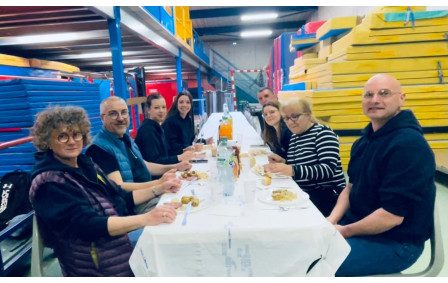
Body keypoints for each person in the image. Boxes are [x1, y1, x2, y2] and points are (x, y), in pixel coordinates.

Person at [29, 105, 181, 277]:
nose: (72, 141)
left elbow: (121, 196)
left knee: (174, 229)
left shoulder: (86, 165)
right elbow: (88, 225)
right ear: (48, 141)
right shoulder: (50, 183)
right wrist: (145, 219)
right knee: (172, 242)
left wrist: (160, 188)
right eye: (62, 136)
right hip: (98, 263)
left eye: (76, 134)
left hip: (115, 243)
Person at [327, 74, 436, 277]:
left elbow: (391, 217)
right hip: (360, 229)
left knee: (314, 266)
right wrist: (331, 221)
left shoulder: (408, 145)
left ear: (401, 98)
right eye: (368, 94)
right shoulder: (364, 142)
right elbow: (350, 188)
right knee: (301, 250)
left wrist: (345, 231)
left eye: (384, 93)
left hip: (396, 242)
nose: (375, 99)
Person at [86, 96, 191, 214]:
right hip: (135, 205)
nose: (120, 118)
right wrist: (159, 183)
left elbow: (144, 165)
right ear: (102, 118)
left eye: (124, 112)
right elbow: (119, 186)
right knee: (182, 214)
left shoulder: (126, 139)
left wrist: (176, 166)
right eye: (113, 114)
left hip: (150, 193)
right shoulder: (99, 148)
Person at [264, 98, 346, 217]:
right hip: (304, 193)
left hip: (327, 198)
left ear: (308, 115)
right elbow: (301, 164)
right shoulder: (295, 137)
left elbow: (328, 169)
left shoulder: (322, 133)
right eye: (286, 118)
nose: (290, 122)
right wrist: (284, 162)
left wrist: (292, 170)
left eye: (295, 116)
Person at [135, 93, 196, 164]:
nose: (161, 111)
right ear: (148, 109)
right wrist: (179, 157)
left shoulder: (158, 128)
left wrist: (183, 151)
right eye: (156, 108)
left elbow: (166, 154)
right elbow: (154, 162)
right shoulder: (148, 131)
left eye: (163, 107)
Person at [162, 90, 212, 155]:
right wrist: (188, 148)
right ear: (176, 104)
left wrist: (204, 141)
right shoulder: (170, 121)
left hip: (185, 156)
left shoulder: (188, 120)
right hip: (174, 159)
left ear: (191, 105)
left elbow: (191, 140)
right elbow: (172, 146)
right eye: (181, 102)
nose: (184, 105)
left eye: (188, 102)